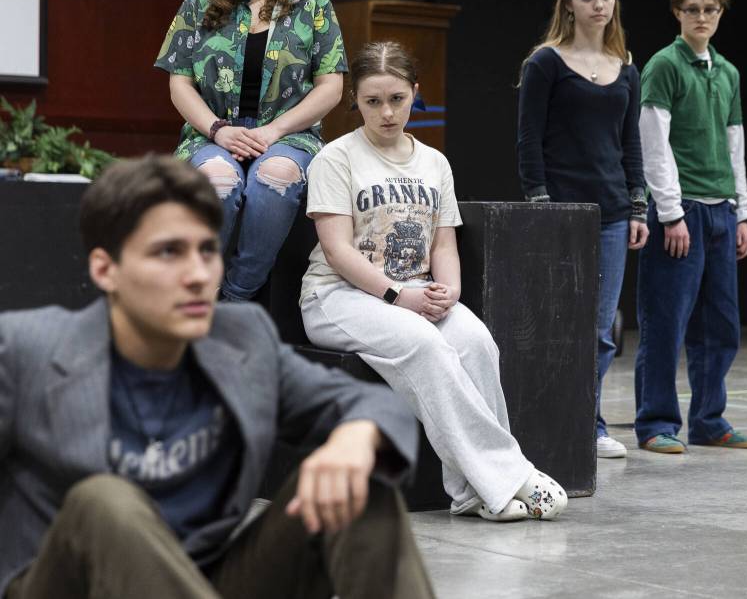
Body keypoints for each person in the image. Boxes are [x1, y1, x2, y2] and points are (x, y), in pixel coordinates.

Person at [0, 155, 433, 599]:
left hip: (202, 582)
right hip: (70, 584)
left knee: (360, 485)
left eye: (207, 250)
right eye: (168, 252)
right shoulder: (27, 351)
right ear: (105, 269)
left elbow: (372, 405)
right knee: (105, 503)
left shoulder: (240, 340)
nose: (198, 275)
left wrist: (354, 438)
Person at [301, 41, 568, 522]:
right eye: (373, 101)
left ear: (415, 94)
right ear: (354, 101)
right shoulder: (334, 159)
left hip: (416, 293)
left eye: (397, 99)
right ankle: (510, 476)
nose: (386, 112)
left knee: (477, 341)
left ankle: (473, 495)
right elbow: (338, 252)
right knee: (425, 344)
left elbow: (443, 244)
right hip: (337, 297)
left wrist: (451, 291)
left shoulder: (434, 162)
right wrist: (397, 294)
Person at [155, 0, 346, 302]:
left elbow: (332, 86)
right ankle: (198, 290)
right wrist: (219, 130)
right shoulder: (199, 3)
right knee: (218, 181)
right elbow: (179, 83)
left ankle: (236, 296)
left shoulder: (312, 5)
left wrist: (275, 130)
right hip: (212, 134)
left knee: (274, 177)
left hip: (289, 135)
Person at [517, 0, 648, 459]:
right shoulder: (545, 63)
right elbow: (528, 141)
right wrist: (539, 201)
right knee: (556, 321)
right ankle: (548, 418)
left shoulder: (627, 67)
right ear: (568, 4)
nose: (598, 5)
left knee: (600, 326)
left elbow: (629, 143)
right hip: (560, 211)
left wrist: (638, 205)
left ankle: (587, 422)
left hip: (612, 213)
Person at [633, 0, 747, 454]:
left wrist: (743, 211)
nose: (701, 17)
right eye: (691, 9)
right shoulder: (664, 65)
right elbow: (654, 145)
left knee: (720, 324)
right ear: (677, 12)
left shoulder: (728, 72)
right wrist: (669, 212)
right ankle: (657, 422)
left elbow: (735, 144)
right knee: (666, 321)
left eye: (709, 9)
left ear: (720, 12)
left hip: (722, 210)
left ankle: (710, 418)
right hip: (680, 211)